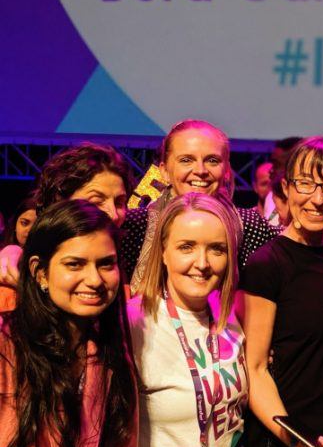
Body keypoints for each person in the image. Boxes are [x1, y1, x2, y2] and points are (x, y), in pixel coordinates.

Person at [0, 200, 137, 447]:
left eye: (106, 264)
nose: (94, 280)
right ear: (40, 272)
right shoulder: (7, 348)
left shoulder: (109, 356)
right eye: (74, 264)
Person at [240, 136, 323, 447]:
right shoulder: (267, 264)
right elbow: (254, 370)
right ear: (285, 188)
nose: (317, 199)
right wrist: (298, 440)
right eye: (305, 184)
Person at [128, 192, 248, 447]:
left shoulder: (230, 316)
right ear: (163, 252)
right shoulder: (134, 323)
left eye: (216, 249)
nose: (203, 263)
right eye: (186, 247)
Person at [123, 119, 280, 292]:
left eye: (212, 160)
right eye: (186, 160)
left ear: (226, 171)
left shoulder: (249, 225)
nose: (200, 170)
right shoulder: (136, 226)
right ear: (165, 171)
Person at [0, 143, 134, 290]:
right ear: (59, 202)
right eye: (96, 201)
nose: (114, 214)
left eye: (120, 202)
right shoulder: (17, 273)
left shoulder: (122, 254)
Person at [0, 193, 39, 312]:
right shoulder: (9, 251)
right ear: (15, 225)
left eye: (36, 225)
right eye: (24, 223)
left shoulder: (47, 261)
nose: (29, 230)